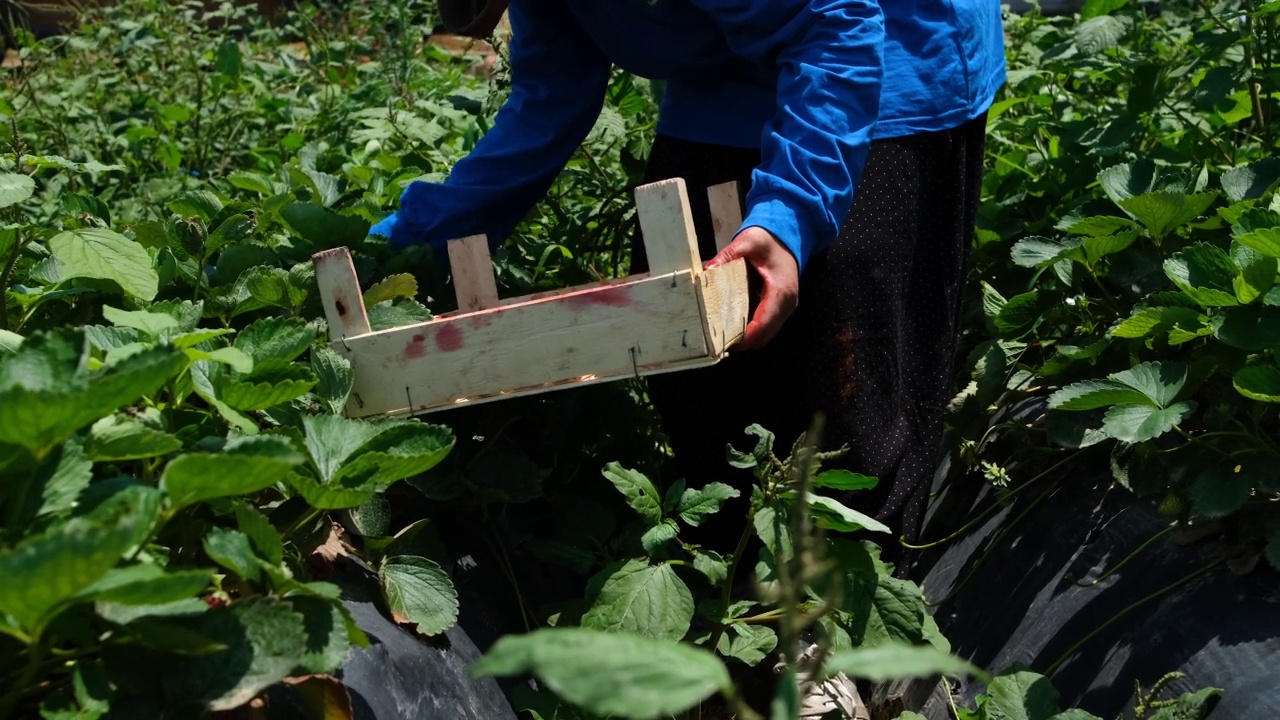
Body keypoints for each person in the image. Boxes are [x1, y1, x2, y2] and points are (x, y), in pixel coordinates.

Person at [373, 2, 1004, 715]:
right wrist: (402, 243)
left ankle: (858, 653)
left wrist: (789, 216)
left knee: (850, 377)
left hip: (886, 54)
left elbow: (837, 22)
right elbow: (553, 93)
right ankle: (746, 615)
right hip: (728, 70)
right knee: (691, 353)